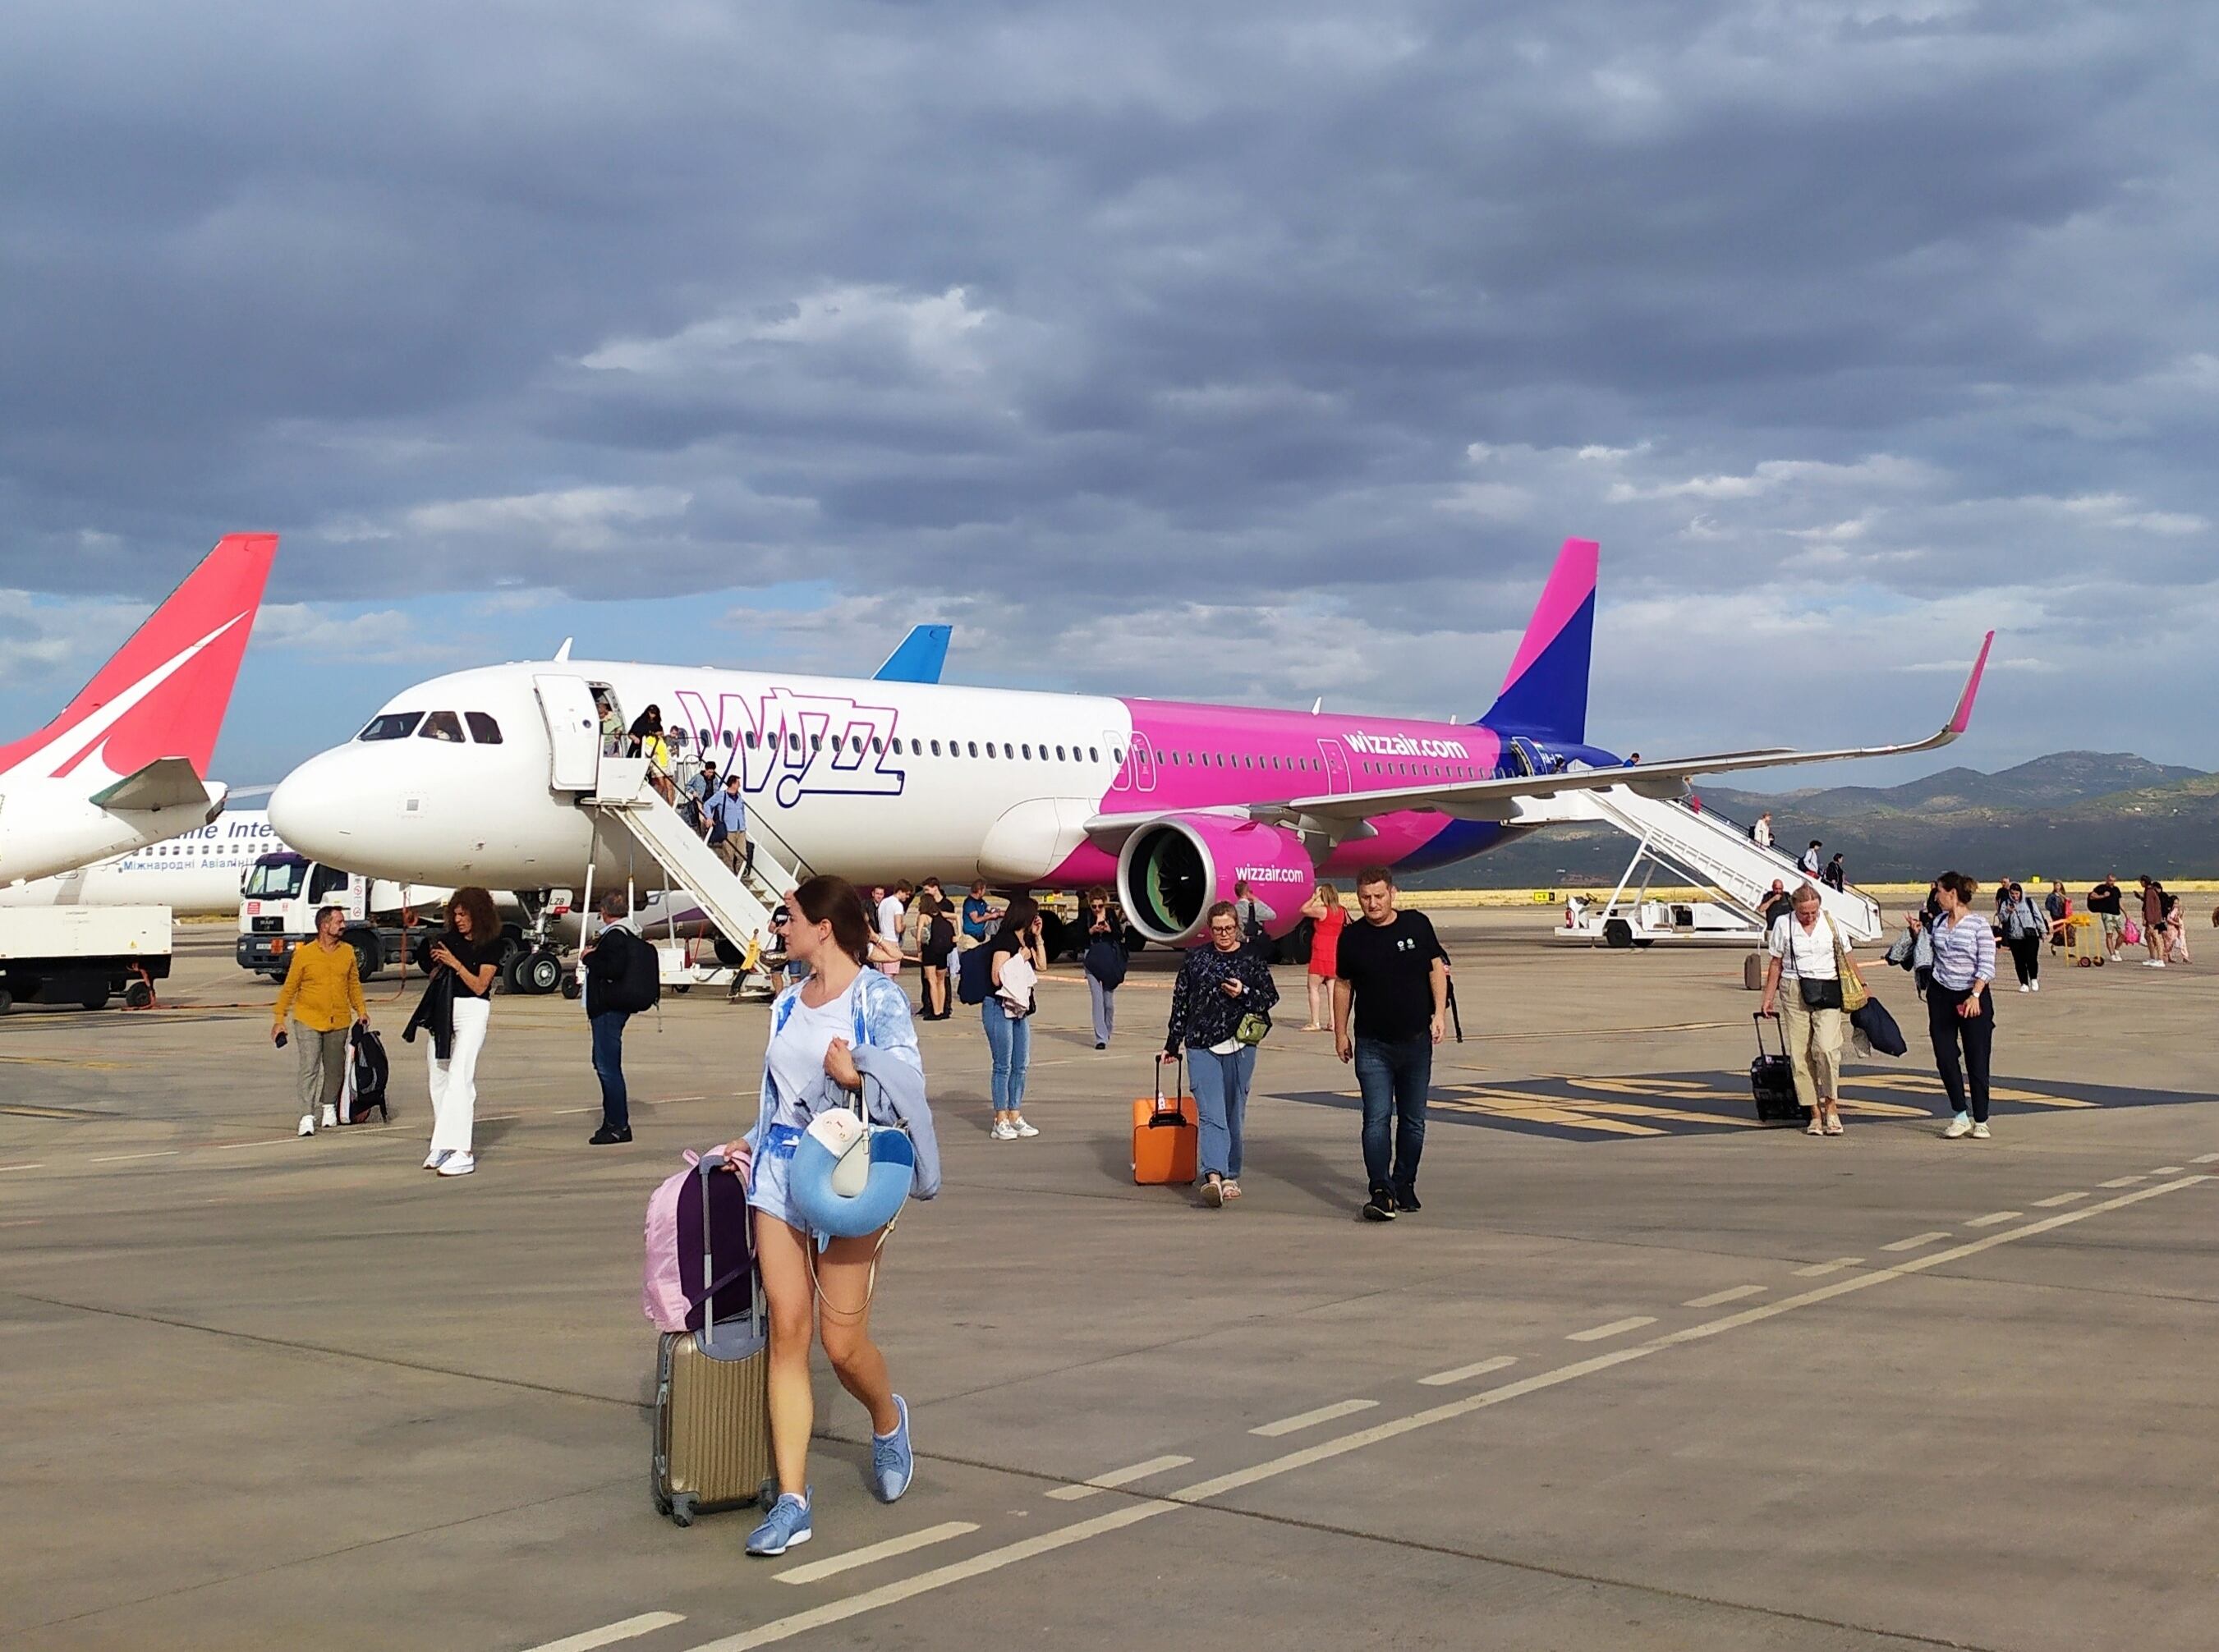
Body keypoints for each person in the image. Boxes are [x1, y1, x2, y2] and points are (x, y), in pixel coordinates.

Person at [710, 874, 933, 1558]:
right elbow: (777, 1093)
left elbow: (908, 1088)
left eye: (790, 918)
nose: (782, 928)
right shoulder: (784, 1005)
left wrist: (856, 1074)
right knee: (789, 1334)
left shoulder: (879, 1000)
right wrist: (749, 1138)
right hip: (779, 1172)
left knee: (840, 1347)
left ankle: (885, 1417)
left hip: (848, 1174)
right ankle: (793, 1501)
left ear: (824, 928)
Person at [1333, 866, 1448, 1223]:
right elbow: (1342, 985)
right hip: (1373, 1045)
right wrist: (1340, 1032)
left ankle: (1404, 1182)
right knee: (1376, 1119)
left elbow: (1435, 969)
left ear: (1392, 893)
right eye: (1366, 897)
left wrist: (1439, 1014)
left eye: (1379, 896)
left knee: (1413, 1120)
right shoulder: (1351, 938)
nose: (1373, 903)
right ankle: (1380, 1188)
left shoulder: (1416, 925)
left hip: (1416, 1041)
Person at [1162, 902, 1279, 1207]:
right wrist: (1172, 1043)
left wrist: (1243, 992)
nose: (1223, 934)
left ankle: (1231, 1174)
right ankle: (1213, 1175)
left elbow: (1269, 997)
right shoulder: (1196, 959)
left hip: (1240, 1044)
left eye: (1228, 928)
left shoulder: (1250, 958)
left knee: (1233, 1113)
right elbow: (1181, 1002)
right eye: (1217, 929)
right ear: (1209, 930)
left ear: (1237, 927)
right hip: (1202, 1044)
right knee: (1211, 1114)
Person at [1758, 883, 1860, 1138]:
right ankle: (1814, 1113)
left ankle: (1831, 1106)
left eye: (1814, 911)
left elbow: (1847, 957)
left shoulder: (1831, 922)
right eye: (1805, 913)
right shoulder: (1784, 924)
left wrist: (1863, 987)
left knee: (1826, 1048)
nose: (1810, 917)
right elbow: (1776, 963)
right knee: (1800, 1054)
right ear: (1795, 908)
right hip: (1794, 989)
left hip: (1828, 987)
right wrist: (1768, 998)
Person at [416, 887, 502, 1177]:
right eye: (455, 914)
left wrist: (455, 963)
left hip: (473, 1010)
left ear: (478, 915)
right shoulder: (448, 940)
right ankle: (444, 1141)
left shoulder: (491, 943)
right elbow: (434, 975)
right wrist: (437, 963)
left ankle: (463, 1150)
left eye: (464, 914)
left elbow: (480, 985)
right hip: (444, 1008)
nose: (459, 919)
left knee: (460, 1076)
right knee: (438, 1076)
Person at [270, 903, 370, 1136]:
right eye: (339, 922)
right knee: (309, 1067)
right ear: (325, 926)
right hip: (308, 1018)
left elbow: (353, 984)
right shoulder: (304, 954)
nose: (343, 925)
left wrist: (361, 1010)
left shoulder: (347, 952)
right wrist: (279, 1018)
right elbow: (289, 988)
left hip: (339, 1019)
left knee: (335, 1068)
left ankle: (328, 1107)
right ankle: (306, 1115)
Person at [1927, 872, 1996, 1138]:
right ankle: (1959, 1114)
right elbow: (1931, 952)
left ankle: (1981, 1119)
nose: (1936, 898)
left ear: (1952, 894)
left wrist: (1976, 995)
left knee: (1977, 1059)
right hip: (1941, 994)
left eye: (1939, 892)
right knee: (1945, 1056)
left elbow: (1987, 964)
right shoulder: (1940, 922)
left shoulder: (1978, 925)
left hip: (1972, 996)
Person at [581, 891, 653, 1144]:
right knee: (604, 1064)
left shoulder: (614, 936)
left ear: (604, 912)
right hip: (614, 1008)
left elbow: (613, 968)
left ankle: (617, 1125)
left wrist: (589, 957)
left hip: (608, 1009)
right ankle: (612, 1121)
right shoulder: (629, 932)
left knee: (607, 1067)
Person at [982, 894, 1047, 1140]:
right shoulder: (1005, 940)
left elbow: (1041, 965)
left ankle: (1015, 1114)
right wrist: (1020, 957)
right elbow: (996, 977)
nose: (1037, 919)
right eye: (1035, 915)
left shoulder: (1027, 940)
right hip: (999, 1006)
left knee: (1021, 1063)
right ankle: (1000, 1119)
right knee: (1003, 1065)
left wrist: (1038, 939)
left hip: (1020, 1008)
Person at [1299, 882, 1348, 1032]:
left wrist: (1314, 897)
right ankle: (1333, 1022)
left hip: (1321, 952)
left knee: (1313, 987)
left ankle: (1315, 1021)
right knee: (1332, 990)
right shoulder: (1342, 911)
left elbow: (1303, 910)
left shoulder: (1322, 911)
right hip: (1334, 952)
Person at [1080, 887, 1125, 1049]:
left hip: (1109, 958)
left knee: (1108, 1002)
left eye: (1100, 906)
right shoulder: (1086, 917)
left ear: (1105, 904)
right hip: (1092, 958)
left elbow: (1120, 936)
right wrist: (1091, 931)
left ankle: (1107, 1030)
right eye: (1094, 906)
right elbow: (1078, 938)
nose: (1097, 909)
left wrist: (1109, 929)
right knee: (1097, 1000)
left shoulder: (1111, 915)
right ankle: (1101, 1038)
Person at [706, 773, 754, 881]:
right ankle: (731, 878)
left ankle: (738, 873)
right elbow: (708, 804)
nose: (740, 785)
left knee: (743, 855)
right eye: (738, 783)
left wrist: (744, 824)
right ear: (732, 784)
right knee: (729, 855)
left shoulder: (739, 796)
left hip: (740, 829)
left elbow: (741, 811)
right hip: (728, 830)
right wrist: (709, 817)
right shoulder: (721, 795)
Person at [2000, 881, 2045, 993]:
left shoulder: (2029, 902)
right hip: (2015, 936)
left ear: (2021, 893)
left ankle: (2033, 978)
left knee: (2031, 958)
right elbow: (2002, 918)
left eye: (2017, 893)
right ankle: (2024, 983)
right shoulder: (2006, 903)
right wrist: (2008, 912)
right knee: (2019, 961)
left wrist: (2042, 931)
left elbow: (2037, 916)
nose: (2015, 896)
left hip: (2031, 935)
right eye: (2013, 894)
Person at [917, 894, 955, 1021]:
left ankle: (936, 1011)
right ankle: (943, 1009)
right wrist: (958, 934)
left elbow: (919, 937)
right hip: (942, 952)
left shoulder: (924, 917)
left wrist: (919, 951)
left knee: (932, 981)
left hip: (930, 951)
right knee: (941, 981)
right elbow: (956, 917)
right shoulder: (940, 914)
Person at [875, 882, 912, 979]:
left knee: (881, 976)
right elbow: (898, 928)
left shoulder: (883, 902)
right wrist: (904, 926)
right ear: (900, 891)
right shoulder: (898, 905)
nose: (907, 897)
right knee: (890, 976)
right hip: (891, 941)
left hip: (881, 940)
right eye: (907, 894)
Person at [1233, 879, 1277, 959]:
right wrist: (1258, 902)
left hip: (1240, 943)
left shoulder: (1234, 909)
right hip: (1255, 943)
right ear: (1247, 893)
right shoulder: (1255, 907)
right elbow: (1273, 915)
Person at [2088, 875, 2124, 960]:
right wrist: (2103, 896)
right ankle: (2112, 954)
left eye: (2113, 881)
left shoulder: (2116, 890)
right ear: (2107, 880)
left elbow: (2119, 902)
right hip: (2107, 914)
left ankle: (2116, 950)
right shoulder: (2101, 888)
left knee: (2122, 934)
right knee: (2109, 934)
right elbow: (2092, 896)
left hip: (2117, 914)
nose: (2112, 882)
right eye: (2110, 881)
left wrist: (2126, 913)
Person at [2139, 875, 2170, 968]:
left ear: (2144, 882)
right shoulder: (2150, 891)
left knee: (2156, 937)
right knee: (2148, 936)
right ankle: (2153, 957)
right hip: (2154, 918)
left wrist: (2149, 921)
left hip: (2153, 919)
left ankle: (2160, 959)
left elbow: (2150, 907)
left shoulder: (2149, 891)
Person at [957, 881, 998, 951]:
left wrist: (995, 911)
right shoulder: (970, 903)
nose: (985, 892)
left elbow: (988, 908)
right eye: (984, 890)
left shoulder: (981, 901)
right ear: (979, 891)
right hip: (971, 937)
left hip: (980, 935)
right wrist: (991, 916)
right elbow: (976, 920)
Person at [2043, 881, 2071, 955]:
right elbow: (2047, 906)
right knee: (2058, 930)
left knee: (2065, 930)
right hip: (2056, 915)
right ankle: (2054, 945)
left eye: (2058, 885)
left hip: (2063, 914)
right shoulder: (2051, 896)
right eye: (2056, 886)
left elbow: (2068, 902)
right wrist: (2053, 910)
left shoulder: (2063, 895)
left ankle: (2066, 949)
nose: (2057, 887)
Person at [596, 691, 625, 756]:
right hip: (600, 742)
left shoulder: (612, 717)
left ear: (605, 711)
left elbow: (619, 725)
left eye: (601, 714)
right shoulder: (596, 718)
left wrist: (617, 732)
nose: (600, 715)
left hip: (610, 742)